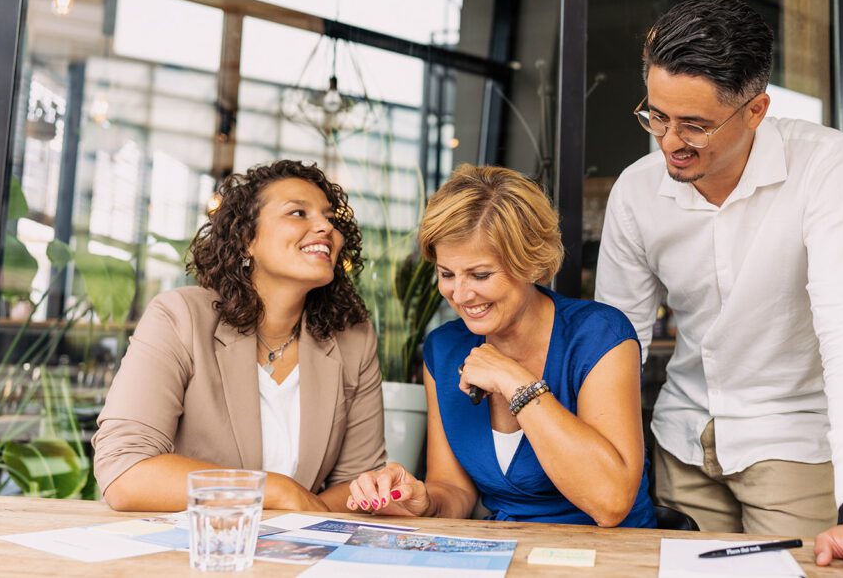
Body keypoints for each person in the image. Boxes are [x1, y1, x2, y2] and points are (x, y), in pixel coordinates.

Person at [596, 0, 843, 577]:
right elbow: (615, 344)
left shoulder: (823, 165)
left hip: (792, 440)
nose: (669, 142)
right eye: (657, 116)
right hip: (680, 442)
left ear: (756, 110)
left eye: (695, 125)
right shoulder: (636, 192)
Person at [345, 164, 656, 528]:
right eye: (447, 274)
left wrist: (515, 382)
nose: (460, 294)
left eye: (480, 275)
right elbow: (453, 490)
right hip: (508, 549)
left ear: (531, 263)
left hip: (611, 550)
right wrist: (422, 500)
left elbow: (611, 502)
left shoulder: (599, 336)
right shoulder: (444, 350)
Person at [92, 160, 385, 511]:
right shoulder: (179, 318)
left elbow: (358, 484)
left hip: (294, 544)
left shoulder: (353, 340)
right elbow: (125, 471)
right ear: (247, 239)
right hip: (190, 541)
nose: (326, 227)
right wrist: (273, 491)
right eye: (298, 213)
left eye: (331, 218)